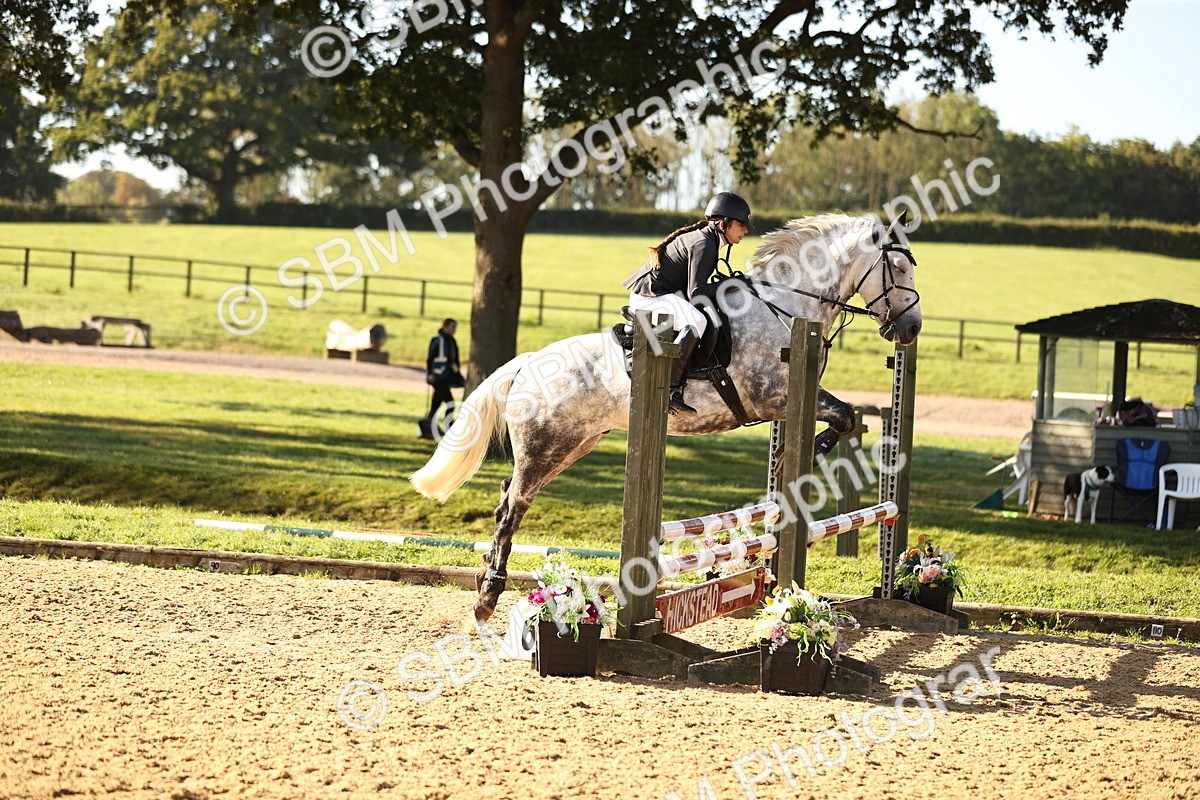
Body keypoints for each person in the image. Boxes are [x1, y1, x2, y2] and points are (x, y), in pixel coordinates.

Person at [621, 192, 752, 416]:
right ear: (724, 223)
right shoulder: (705, 244)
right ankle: (670, 391)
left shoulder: (709, 239)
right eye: (741, 225)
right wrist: (734, 283)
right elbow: (697, 293)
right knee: (697, 319)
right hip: (651, 298)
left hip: (659, 296)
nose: (746, 231)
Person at [420, 318, 465, 440]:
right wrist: (431, 373)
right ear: (445, 326)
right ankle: (448, 427)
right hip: (439, 378)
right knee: (450, 403)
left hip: (446, 377)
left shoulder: (451, 341)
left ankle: (428, 427)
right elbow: (430, 358)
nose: (454, 330)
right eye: (452, 327)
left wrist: (458, 376)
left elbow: (453, 361)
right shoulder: (437, 340)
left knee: (435, 405)